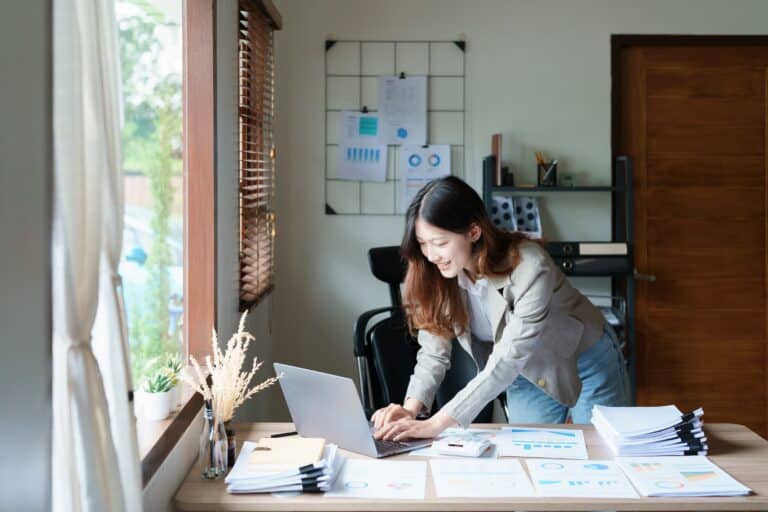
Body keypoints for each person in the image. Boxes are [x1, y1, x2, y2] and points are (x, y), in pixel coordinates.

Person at [372, 176, 629, 442]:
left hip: (583, 360)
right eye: (423, 243)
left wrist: (437, 423)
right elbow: (434, 354)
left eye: (440, 243)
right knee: (531, 456)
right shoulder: (438, 273)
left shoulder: (529, 265)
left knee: (603, 450)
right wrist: (409, 410)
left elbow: (508, 356)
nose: (431, 255)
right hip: (524, 373)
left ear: (473, 232)